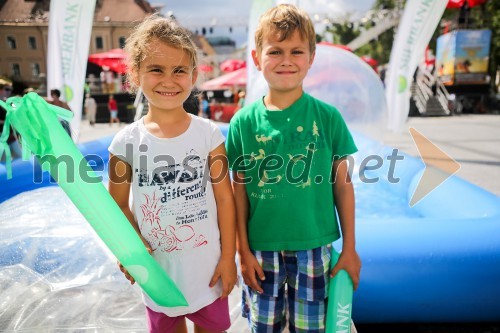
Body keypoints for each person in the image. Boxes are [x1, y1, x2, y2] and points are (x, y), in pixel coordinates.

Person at [225, 4, 361, 332]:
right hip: (260, 250)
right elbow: (237, 190)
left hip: (314, 248)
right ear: (257, 58)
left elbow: (343, 186)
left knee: (311, 328)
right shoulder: (243, 122)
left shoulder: (328, 118)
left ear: (311, 57)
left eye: (297, 51)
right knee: (264, 326)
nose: (286, 60)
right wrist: (242, 251)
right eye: (275, 51)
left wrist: (350, 249)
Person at [107, 14, 237, 333]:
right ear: (136, 75)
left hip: (208, 270)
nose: (169, 80)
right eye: (156, 69)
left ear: (193, 75)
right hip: (158, 273)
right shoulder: (126, 143)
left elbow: (225, 199)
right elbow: (117, 208)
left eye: (179, 70)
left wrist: (228, 258)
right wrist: (130, 248)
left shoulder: (208, 134)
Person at [0, 76, 22, 160]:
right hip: (1, 139)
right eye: (7, 89)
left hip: (11, 137)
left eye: (10, 89)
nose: (9, 92)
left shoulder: (9, 103)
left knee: (21, 158)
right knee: (4, 162)